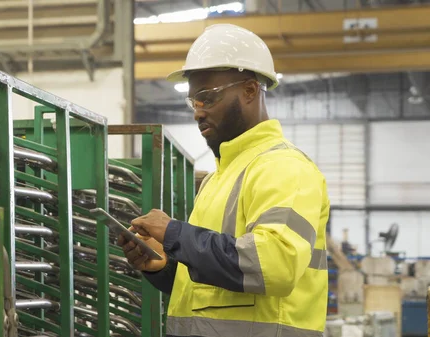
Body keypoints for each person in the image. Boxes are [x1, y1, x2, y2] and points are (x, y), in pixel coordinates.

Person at [118, 24, 330, 337]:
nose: (197, 113)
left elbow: (275, 266)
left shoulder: (284, 167)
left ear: (249, 91)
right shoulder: (220, 178)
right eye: (194, 101)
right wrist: (163, 266)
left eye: (208, 97)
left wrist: (175, 233)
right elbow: (213, 291)